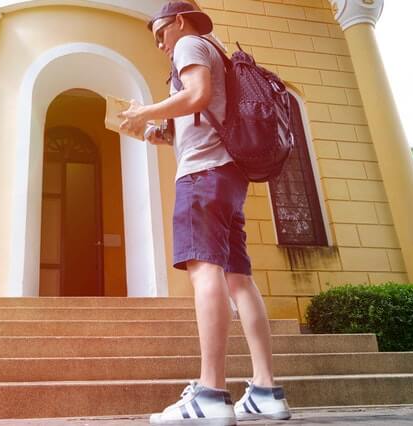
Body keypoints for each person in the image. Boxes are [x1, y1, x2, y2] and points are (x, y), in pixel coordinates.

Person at [119, 2, 291, 425]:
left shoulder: (189, 44)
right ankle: (266, 391)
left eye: (161, 33)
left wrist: (144, 109)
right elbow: (202, 111)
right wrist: (155, 131)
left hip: (202, 177)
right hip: (228, 176)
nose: (160, 44)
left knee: (205, 270)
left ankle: (211, 394)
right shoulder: (215, 52)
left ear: (178, 20)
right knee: (238, 278)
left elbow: (196, 96)